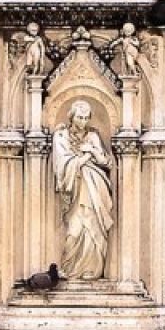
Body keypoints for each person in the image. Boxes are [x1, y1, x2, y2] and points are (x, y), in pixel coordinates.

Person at [51, 99, 116, 279]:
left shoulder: (93, 136)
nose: (83, 121)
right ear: (71, 117)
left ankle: (92, 270)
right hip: (76, 188)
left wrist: (93, 151)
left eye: (86, 118)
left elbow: (106, 162)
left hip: (96, 189)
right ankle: (69, 268)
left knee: (94, 227)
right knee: (74, 230)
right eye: (79, 117)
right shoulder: (61, 136)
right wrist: (87, 155)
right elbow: (63, 164)